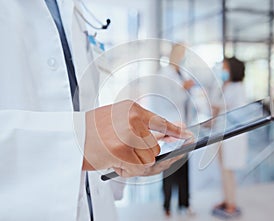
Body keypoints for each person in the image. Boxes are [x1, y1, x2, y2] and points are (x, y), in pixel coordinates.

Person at [0, 1, 191, 220]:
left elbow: (83, 111)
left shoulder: (74, 9)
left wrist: (119, 157)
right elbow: (81, 139)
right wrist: (82, 140)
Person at [149, 43, 195, 217]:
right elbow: (168, 99)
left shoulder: (180, 73)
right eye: (182, 53)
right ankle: (167, 205)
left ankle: (185, 203)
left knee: (183, 167)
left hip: (183, 128)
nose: (184, 57)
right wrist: (184, 88)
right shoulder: (164, 74)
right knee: (169, 167)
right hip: (169, 127)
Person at [211, 57, 248, 219]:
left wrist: (219, 106)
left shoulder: (238, 88)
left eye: (225, 68)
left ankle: (231, 203)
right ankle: (226, 200)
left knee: (228, 171)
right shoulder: (225, 86)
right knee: (223, 171)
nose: (222, 71)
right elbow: (216, 106)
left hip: (231, 136)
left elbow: (235, 111)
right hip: (221, 134)